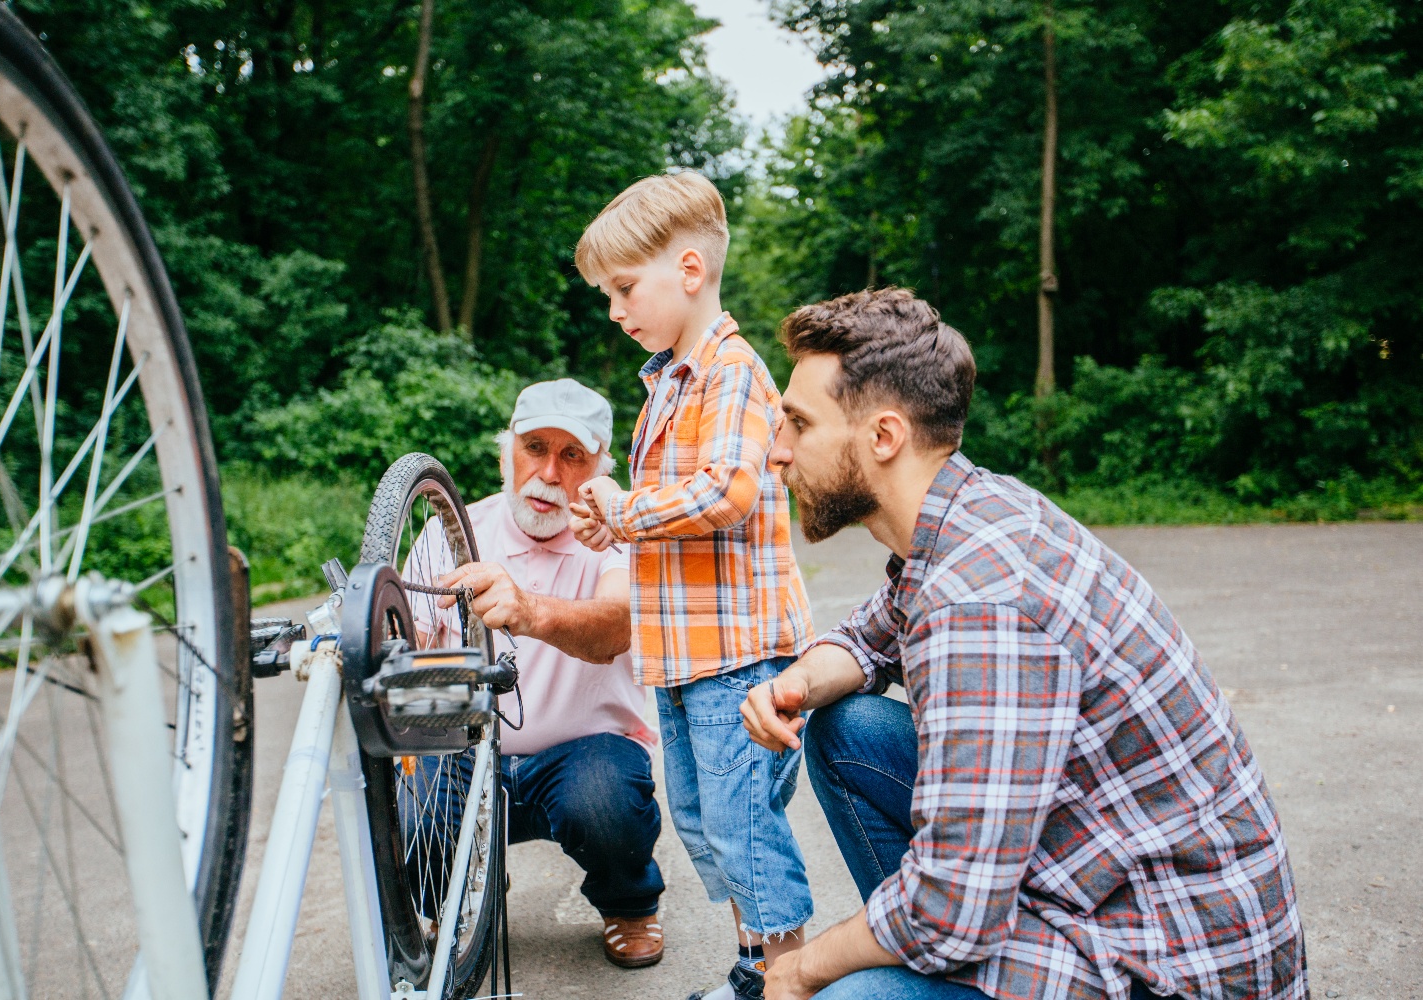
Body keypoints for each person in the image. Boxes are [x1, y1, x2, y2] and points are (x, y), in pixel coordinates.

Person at [741, 288, 1306, 1000]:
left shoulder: (978, 606)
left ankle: (910, 977)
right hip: (1097, 876)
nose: (779, 450)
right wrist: (794, 684)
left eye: (797, 423)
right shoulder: (971, 508)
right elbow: (871, 635)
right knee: (847, 728)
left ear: (883, 437)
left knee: (847, 995)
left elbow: (947, 913)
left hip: (1169, 966)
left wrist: (801, 971)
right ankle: (928, 972)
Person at [569, 171, 816, 1000]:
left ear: (687, 270)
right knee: (708, 826)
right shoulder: (664, 382)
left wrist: (628, 507)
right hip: (681, 658)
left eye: (623, 287)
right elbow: (664, 514)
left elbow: (728, 492)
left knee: (747, 833)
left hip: (738, 658)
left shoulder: (732, 371)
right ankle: (756, 971)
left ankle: (788, 981)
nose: (615, 309)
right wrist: (614, 521)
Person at [401, 378, 666, 968]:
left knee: (604, 801)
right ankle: (467, 889)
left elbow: (617, 627)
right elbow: (405, 643)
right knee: (402, 803)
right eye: (534, 447)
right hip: (470, 753)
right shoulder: (456, 528)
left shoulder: (619, 541)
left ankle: (629, 902)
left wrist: (529, 610)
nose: (549, 472)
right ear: (506, 453)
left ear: (600, 470)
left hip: (582, 754)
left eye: (572, 455)